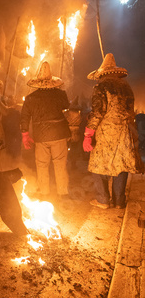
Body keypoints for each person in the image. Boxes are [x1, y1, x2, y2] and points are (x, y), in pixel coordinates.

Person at [83, 53, 143, 209]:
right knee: (120, 165)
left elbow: (97, 112)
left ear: (102, 74)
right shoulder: (127, 87)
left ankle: (103, 200)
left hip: (107, 133)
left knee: (98, 165)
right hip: (126, 133)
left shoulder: (101, 86)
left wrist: (88, 135)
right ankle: (119, 201)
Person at [20, 61, 71, 199]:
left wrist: (25, 134)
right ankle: (63, 193)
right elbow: (67, 107)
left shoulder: (30, 98)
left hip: (41, 136)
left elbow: (24, 117)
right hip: (59, 134)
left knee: (42, 165)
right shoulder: (60, 94)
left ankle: (44, 193)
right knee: (60, 164)